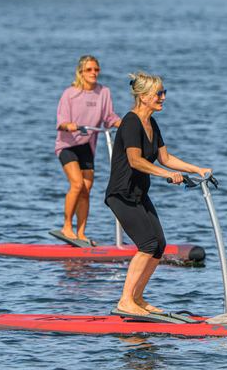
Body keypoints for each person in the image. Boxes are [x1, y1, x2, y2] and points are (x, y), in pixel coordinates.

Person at [105, 71, 212, 316]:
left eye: (164, 92)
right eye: (159, 94)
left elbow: (165, 158)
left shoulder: (151, 122)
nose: (163, 97)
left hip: (139, 194)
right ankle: (125, 301)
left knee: (159, 246)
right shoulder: (131, 121)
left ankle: (137, 298)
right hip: (121, 194)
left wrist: (197, 169)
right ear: (143, 97)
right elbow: (135, 160)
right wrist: (165, 175)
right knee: (147, 244)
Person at [55, 55, 121, 245]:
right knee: (77, 185)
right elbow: (61, 121)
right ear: (81, 72)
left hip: (86, 146)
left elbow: (109, 116)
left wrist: (121, 123)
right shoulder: (70, 93)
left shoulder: (104, 92)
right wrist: (69, 125)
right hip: (67, 145)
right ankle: (67, 226)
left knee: (86, 189)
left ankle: (81, 232)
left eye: (96, 70)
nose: (93, 73)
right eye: (89, 70)